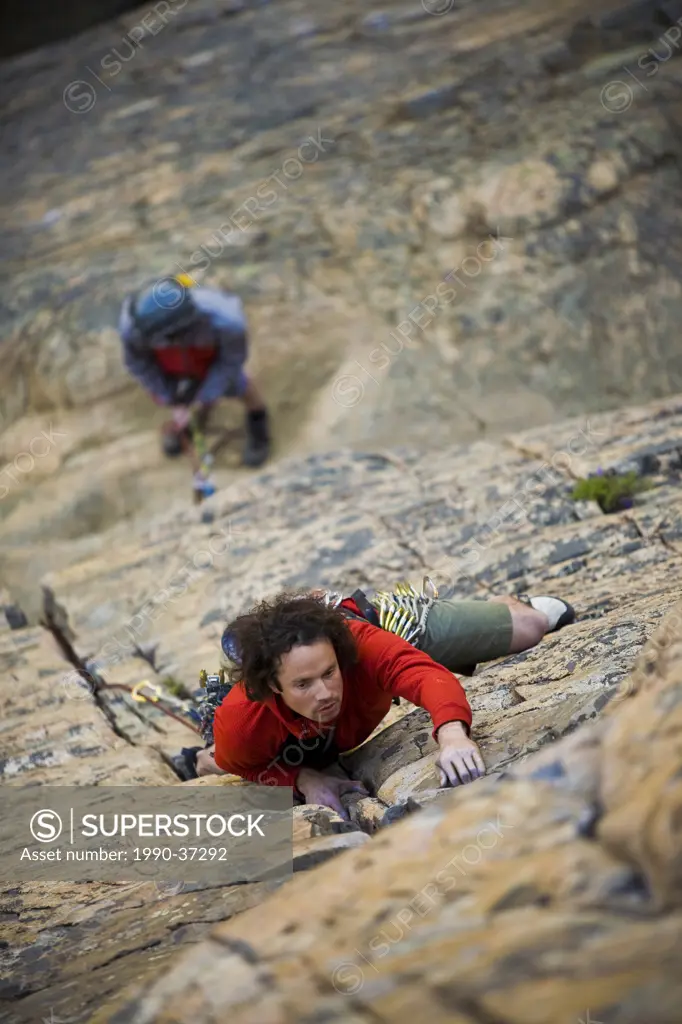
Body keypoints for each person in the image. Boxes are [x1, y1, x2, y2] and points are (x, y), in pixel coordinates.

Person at [180, 584, 575, 815]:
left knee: (536, 621)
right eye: (303, 684)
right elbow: (244, 765)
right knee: (217, 759)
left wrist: (453, 734)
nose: (325, 693)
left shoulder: (360, 646)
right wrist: (304, 778)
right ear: (273, 687)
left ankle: (501, 604)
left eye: (329, 673)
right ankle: (203, 745)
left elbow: (423, 675)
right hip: (283, 742)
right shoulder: (242, 722)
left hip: (377, 624)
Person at [117, 274, 271, 468]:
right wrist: (166, 392)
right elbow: (139, 364)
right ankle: (191, 420)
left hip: (210, 349)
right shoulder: (133, 325)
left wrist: (207, 392)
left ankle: (257, 416)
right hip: (169, 356)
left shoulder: (227, 320)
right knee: (177, 393)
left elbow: (230, 363)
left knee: (237, 384)